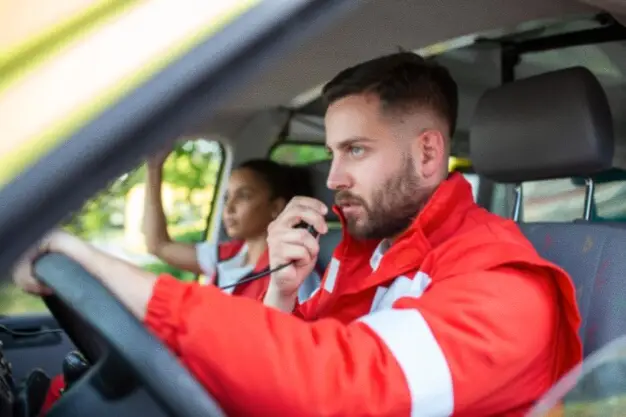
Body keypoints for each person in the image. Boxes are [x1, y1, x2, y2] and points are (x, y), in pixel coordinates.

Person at [14, 52, 582, 416]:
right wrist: (283, 292)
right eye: (332, 152)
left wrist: (104, 271)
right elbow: (295, 351)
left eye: (356, 150)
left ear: (428, 152)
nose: (333, 177)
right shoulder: (373, 251)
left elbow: (344, 386)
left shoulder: (505, 286)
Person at [143, 155, 322, 301]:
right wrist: (153, 168)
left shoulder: (295, 272)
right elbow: (157, 245)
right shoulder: (227, 255)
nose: (229, 208)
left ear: (276, 207)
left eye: (243, 196)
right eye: (227, 197)